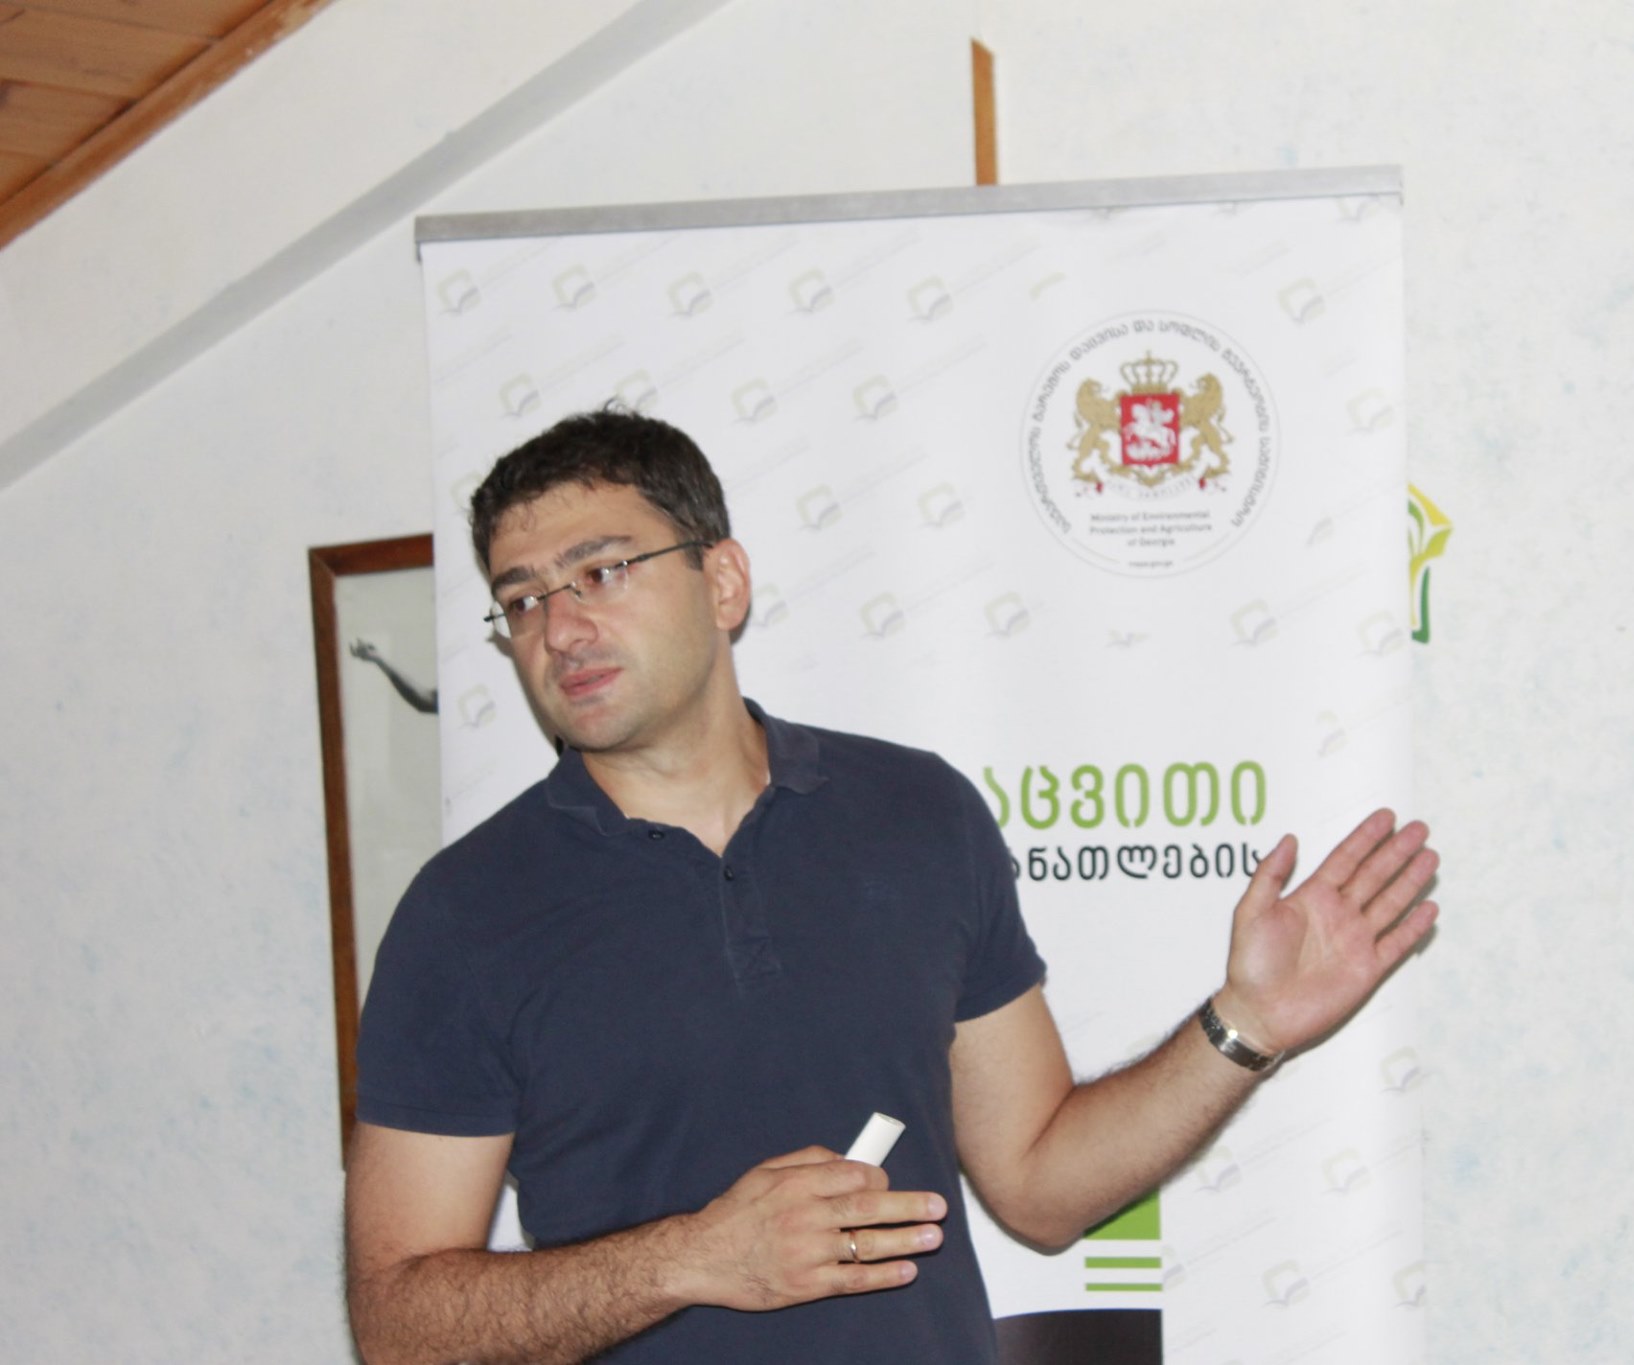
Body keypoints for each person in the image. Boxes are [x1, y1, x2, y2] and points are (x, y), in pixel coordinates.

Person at [343, 407, 1440, 1364]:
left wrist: (1244, 1024)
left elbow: (1040, 1183)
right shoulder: (465, 912)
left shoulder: (916, 813)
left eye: (602, 571)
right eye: (522, 600)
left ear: (722, 581)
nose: (560, 628)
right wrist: (695, 1258)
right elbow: (397, 1324)